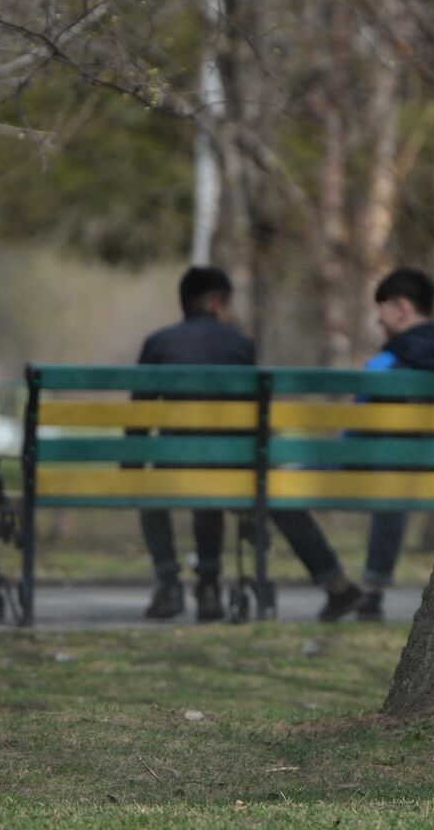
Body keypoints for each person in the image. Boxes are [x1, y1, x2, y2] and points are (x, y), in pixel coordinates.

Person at [137, 266, 362, 622]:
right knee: (262, 490)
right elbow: (253, 412)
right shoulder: (238, 344)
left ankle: (170, 584)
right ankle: (333, 584)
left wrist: (131, 467)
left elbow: (139, 415)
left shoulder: (158, 342)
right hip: (235, 466)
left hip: (176, 466)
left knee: (153, 494)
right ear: (216, 304)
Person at [356, 268, 434, 621]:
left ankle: (369, 592)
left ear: (401, 308)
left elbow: (357, 432)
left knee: (391, 475)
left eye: (382, 310)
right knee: (394, 473)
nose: (380, 319)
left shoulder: (383, 365)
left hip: (387, 479)